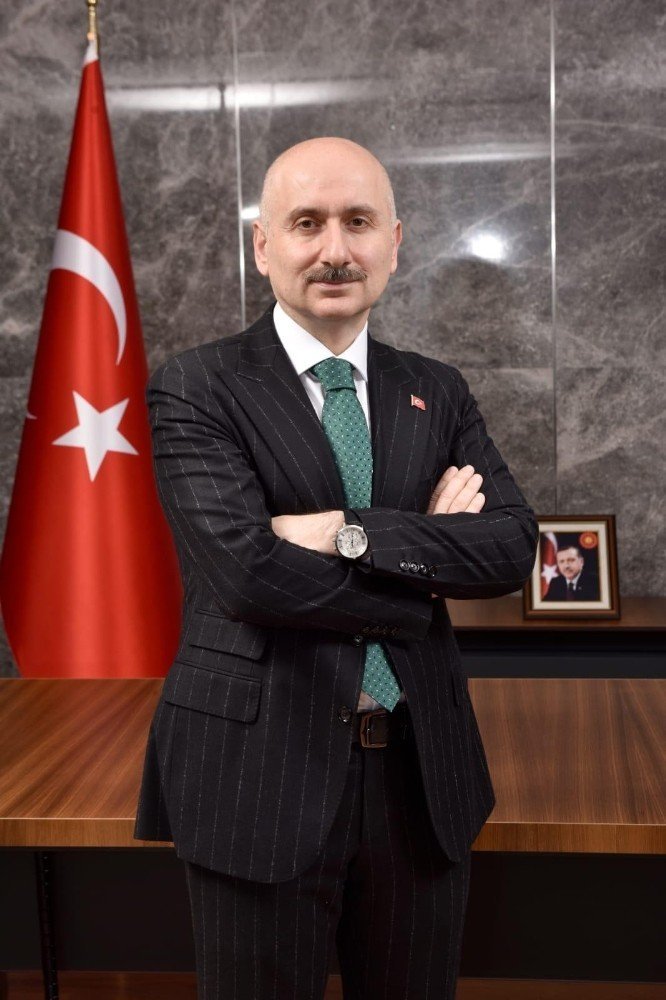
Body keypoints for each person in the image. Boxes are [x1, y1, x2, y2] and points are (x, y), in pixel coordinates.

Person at [133, 136, 539, 999]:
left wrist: (344, 532)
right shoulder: (197, 387)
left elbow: (510, 547)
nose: (335, 250)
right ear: (263, 245)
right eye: (307, 223)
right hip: (256, 776)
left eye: (358, 222)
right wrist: (424, 563)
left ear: (394, 241)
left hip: (419, 781)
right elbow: (246, 574)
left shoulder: (438, 388)